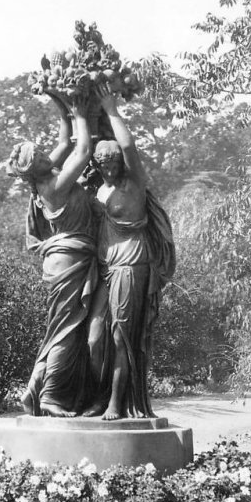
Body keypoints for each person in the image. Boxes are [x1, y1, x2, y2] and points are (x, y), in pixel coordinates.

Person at [85, 85, 175, 420]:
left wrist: (111, 109)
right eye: (102, 164)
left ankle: (115, 404)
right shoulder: (101, 190)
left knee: (121, 338)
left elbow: (128, 145)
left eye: (112, 163)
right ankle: (98, 396)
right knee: (94, 340)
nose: (108, 169)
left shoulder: (133, 184)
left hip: (131, 266)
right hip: (106, 270)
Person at [7, 94, 97, 417]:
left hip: (60, 261)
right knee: (66, 330)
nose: (48, 152)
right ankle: (51, 397)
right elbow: (84, 150)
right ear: (38, 165)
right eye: (42, 154)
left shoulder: (42, 178)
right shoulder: (55, 184)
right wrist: (81, 111)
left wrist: (62, 107)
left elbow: (64, 141)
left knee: (59, 328)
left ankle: (35, 389)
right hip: (69, 262)